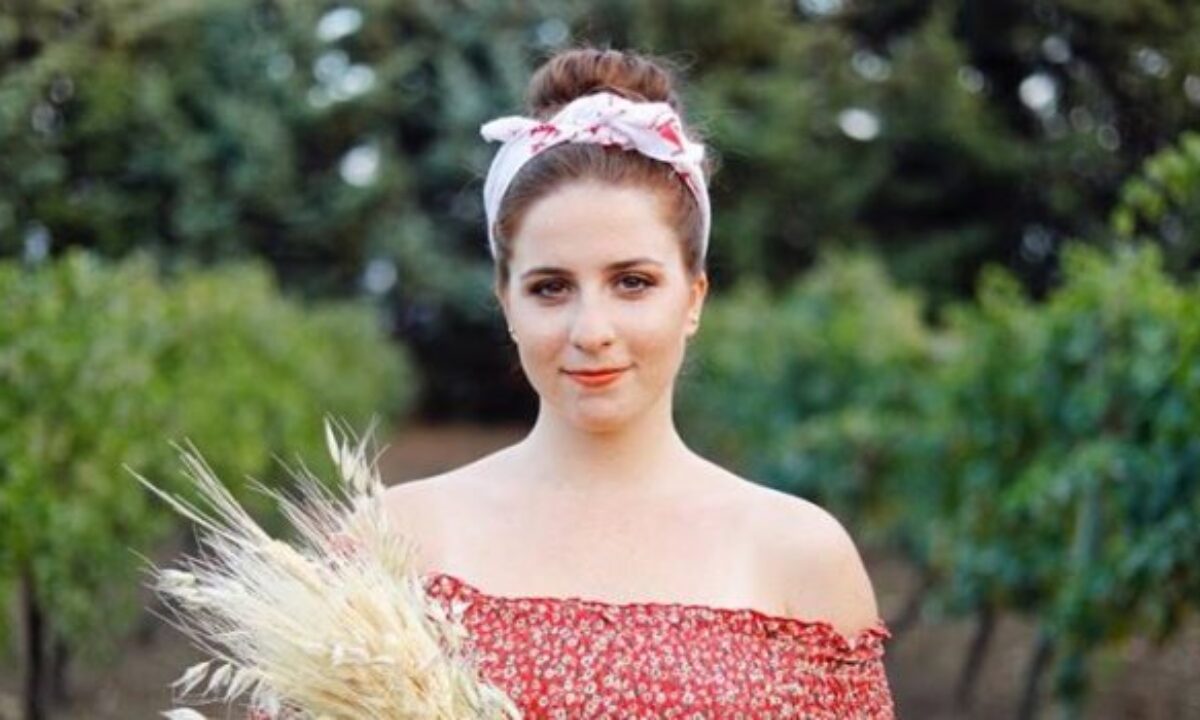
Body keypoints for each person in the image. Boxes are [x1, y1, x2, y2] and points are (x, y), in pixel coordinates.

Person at [393, 46, 896, 718]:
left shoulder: (800, 554)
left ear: (693, 298)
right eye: (550, 287)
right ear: (507, 302)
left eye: (632, 282)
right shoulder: (395, 539)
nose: (591, 329)